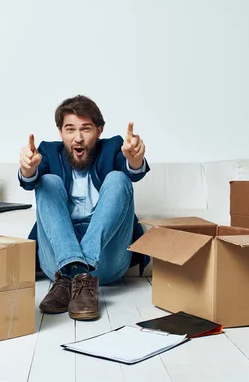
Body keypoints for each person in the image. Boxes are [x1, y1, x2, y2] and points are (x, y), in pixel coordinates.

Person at [18, 95, 150, 321]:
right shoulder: (48, 152)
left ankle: (77, 271)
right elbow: (30, 180)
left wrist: (135, 159)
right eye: (70, 129)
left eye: (86, 129)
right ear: (60, 132)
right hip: (57, 260)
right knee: (47, 181)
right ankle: (75, 271)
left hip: (106, 257)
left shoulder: (112, 148)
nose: (77, 138)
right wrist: (28, 169)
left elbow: (132, 172)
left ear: (99, 130)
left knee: (119, 179)